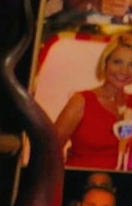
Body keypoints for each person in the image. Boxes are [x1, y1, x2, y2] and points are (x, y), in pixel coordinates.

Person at [55, 36, 132, 171]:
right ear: (105, 63)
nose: (124, 71)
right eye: (117, 62)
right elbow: (49, 149)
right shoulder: (81, 101)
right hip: (83, 183)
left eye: (131, 64)